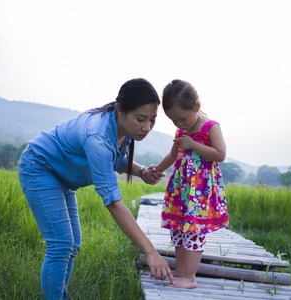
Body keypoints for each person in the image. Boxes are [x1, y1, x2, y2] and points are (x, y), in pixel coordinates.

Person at [18, 78, 174, 299]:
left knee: (72, 244)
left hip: (61, 178)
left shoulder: (122, 129)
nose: (147, 127)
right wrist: (150, 252)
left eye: (152, 120)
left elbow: (115, 159)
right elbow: (112, 202)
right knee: (61, 244)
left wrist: (140, 171)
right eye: (141, 119)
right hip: (40, 168)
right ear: (121, 110)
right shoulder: (98, 135)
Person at [151, 79, 229, 289]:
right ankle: (182, 270)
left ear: (196, 106)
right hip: (182, 189)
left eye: (182, 119)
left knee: (194, 229)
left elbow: (220, 154)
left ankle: (190, 277)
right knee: (178, 227)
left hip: (200, 191)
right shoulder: (180, 132)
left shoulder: (210, 127)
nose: (179, 124)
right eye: (174, 121)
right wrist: (157, 169)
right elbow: (172, 156)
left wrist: (193, 144)